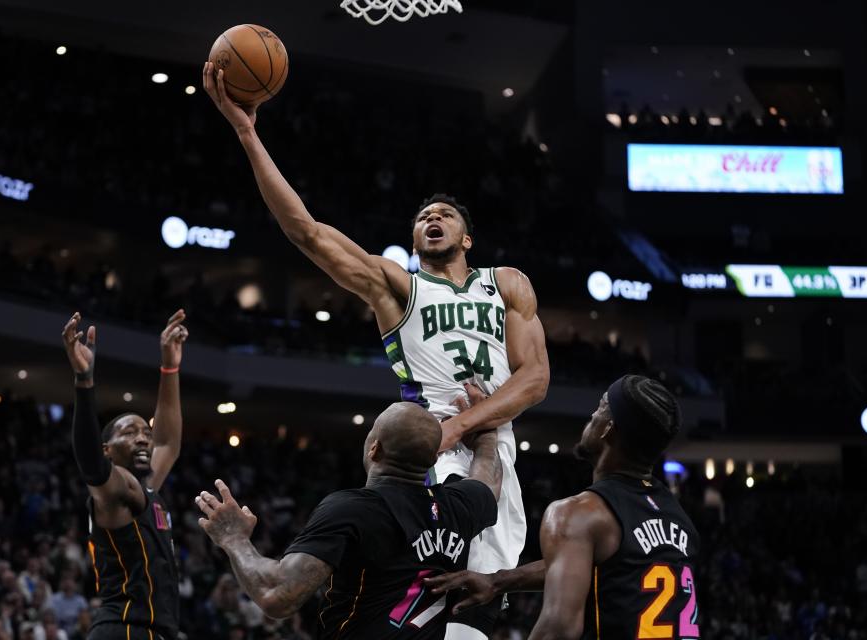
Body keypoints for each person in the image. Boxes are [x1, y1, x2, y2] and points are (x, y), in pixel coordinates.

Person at [203, 62, 550, 640]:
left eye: (444, 215)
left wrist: (467, 425)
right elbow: (307, 233)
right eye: (422, 217)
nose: (431, 218)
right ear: (414, 241)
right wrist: (247, 133)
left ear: (467, 237)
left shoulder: (507, 282)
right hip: (424, 447)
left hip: (486, 442)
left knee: (482, 596)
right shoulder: (398, 285)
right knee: (408, 586)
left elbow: (535, 378)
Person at [195, 398, 502, 639]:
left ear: (374, 447)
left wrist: (233, 539)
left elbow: (277, 595)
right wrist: (487, 424)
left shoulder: (352, 508)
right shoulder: (459, 505)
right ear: (433, 459)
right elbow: (488, 476)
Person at [425, 375, 701, 640]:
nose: (592, 415)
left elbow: (559, 630)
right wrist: (498, 582)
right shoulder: (679, 520)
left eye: (601, 406)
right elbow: (588, 563)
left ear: (608, 428)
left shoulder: (578, 513)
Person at [61, 310, 189, 640]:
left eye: (145, 431)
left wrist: (170, 367)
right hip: (124, 630)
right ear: (108, 449)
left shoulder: (144, 489)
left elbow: (168, 443)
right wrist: (84, 381)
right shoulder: (117, 488)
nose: (143, 437)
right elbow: (91, 466)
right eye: (130, 432)